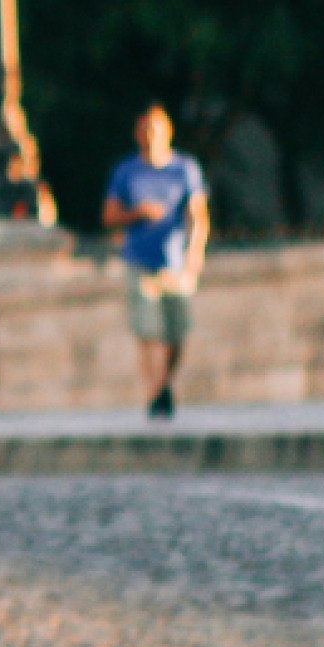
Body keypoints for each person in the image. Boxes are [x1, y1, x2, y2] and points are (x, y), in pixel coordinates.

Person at [103, 106, 210, 420]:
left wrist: (194, 255)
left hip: (174, 262)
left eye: (156, 130)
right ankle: (157, 389)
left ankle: (163, 385)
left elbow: (197, 215)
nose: (150, 137)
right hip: (139, 260)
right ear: (138, 135)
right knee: (149, 331)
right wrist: (138, 213)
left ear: (168, 133)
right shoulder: (127, 172)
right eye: (145, 130)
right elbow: (109, 216)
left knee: (177, 334)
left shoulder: (184, 169)